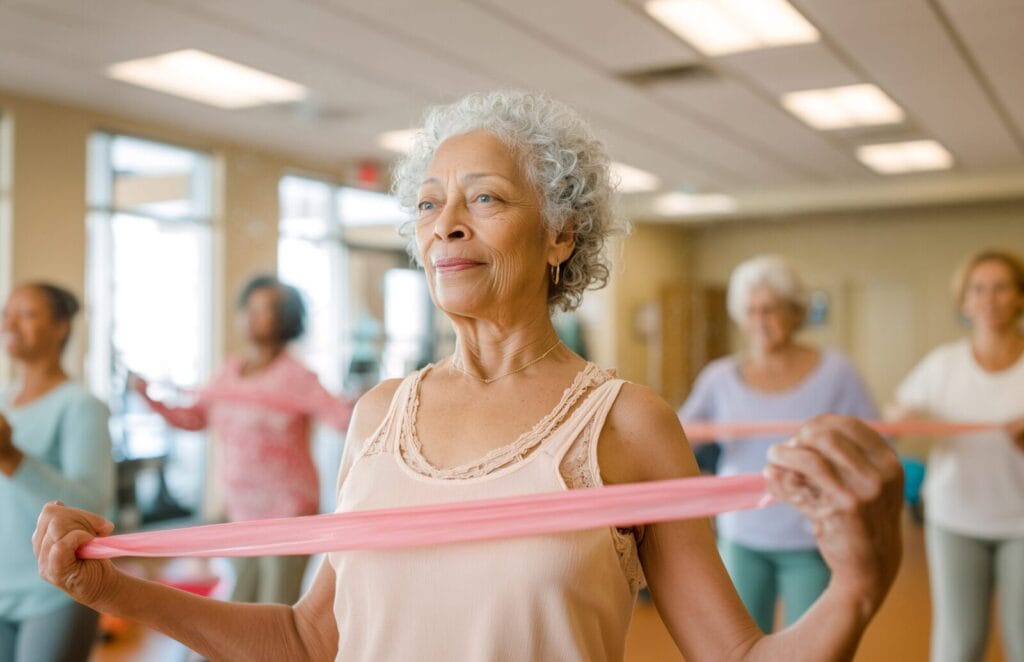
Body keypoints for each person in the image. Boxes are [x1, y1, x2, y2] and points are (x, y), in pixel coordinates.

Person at [33, 90, 903, 661]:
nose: (446, 224)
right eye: (428, 203)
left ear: (561, 235)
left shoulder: (626, 424)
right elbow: (308, 637)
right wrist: (114, 590)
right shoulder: (377, 416)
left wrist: (860, 585)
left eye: (484, 198)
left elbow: (742, 658)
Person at [678, 255, 878, 633]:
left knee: (812, 648)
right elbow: (678, 435)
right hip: (742, 536)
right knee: (741, 645)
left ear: (795, 312)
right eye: (751, 311)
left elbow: (875, 440)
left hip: (812, 535)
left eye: (770, 310)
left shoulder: (836, 372)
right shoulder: (718, 378)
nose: (760, 322)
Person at [133, 275, 354, 605]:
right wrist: (151, 400)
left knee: (276, 611)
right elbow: (195, 418)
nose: (252, 317)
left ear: (285, 320)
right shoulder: (229, 370)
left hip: (289, 514)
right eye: (248, 308)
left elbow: (342, 419)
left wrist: (369, 402)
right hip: (241, 513)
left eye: (264, 310)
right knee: (242, 606)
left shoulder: (296, 376)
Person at [891, 249, 1024, 662]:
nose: (989, 298)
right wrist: (902, 417)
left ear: (1019, 296)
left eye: (1001, 287)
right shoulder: (942, 365)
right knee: (959, 644)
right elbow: (896, 412)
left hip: (1021, 521)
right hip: (955, 518)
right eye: (977, 289)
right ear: (964, 301)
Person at [0, 283, 114, 662]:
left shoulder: (81, 406)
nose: (10, 323)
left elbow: (94, 508)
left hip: (55, 590)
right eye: (6, 313)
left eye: (26, 314)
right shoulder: (2, 401)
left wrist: (13, 458)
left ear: (61, 326)